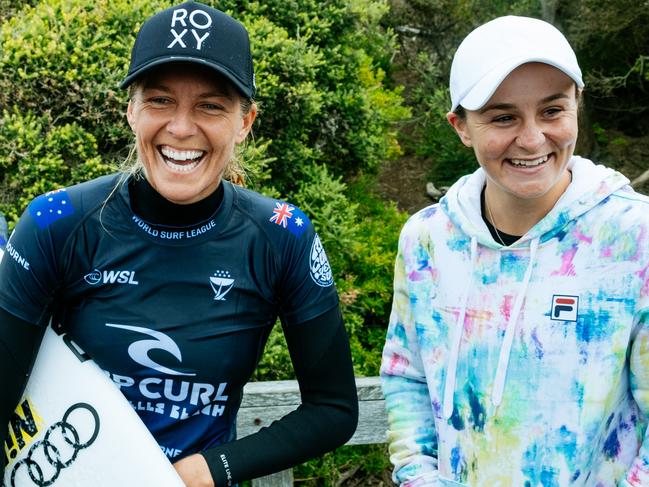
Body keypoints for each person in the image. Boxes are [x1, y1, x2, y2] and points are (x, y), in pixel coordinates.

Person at [0, 2, 358, 486]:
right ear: (131, 110)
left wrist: (211, 469)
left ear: (246, 121)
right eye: (160, 100)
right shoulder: (58, 223)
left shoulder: (281, 236)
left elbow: (333, 409)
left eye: (210, 105)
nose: (182, 127)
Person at [381, 15, 649, 487]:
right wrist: (418, 477)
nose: (531, 139)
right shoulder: (426, 240)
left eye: (552, 111)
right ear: (461, 126)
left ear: (577, 106)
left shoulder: (633, 237)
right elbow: (407, 378)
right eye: (503, 117)